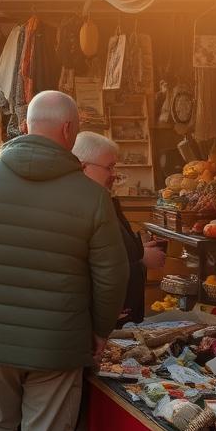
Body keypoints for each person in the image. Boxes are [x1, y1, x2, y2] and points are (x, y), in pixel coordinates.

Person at [0, 91, 127, 431]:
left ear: (26, 125)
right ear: (68, 129)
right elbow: (112, 275)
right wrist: (100, 330)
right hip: (57, 342)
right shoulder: (92, 197)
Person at [72, 131, 166, 326]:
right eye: (109, 167)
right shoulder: (80, 207)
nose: (114, 175)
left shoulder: (102, 200)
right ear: (83, 167)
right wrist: (141, 257)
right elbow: (91, 264)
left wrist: (139, 251)